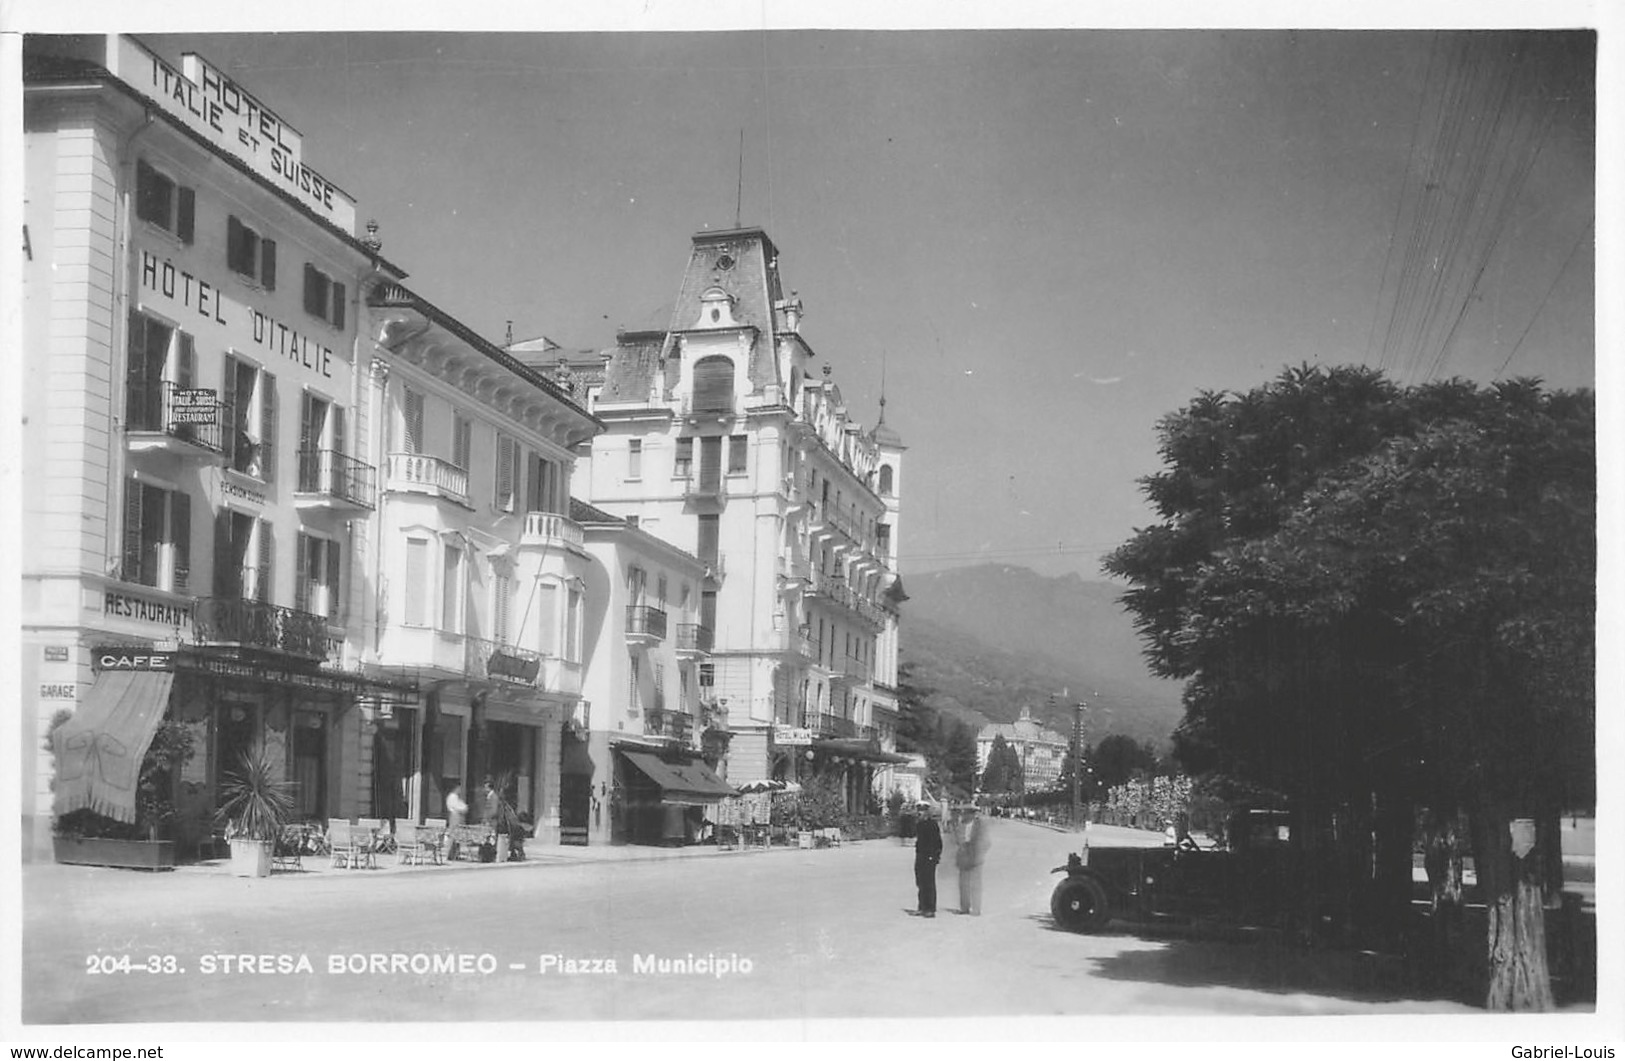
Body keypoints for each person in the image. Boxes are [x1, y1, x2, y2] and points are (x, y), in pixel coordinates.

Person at [956, 805, 992, 915]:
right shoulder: (960, 825)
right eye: (965, 813)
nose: (966, 815)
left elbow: (987, 842)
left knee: (976, 883)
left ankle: (976, 908)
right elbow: (956, 838)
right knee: (963, 883)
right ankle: (964, 907)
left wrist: (980, 852)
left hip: (976, 855)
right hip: (963, 855)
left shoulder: (980, 825)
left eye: (969, 813)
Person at [913, 803, 943, 918]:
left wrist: (935, 856)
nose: (919, 813)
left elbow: (937, 842)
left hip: (930, 857)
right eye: (918, 811)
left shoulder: (932, 824)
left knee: (929, 882)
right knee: (920, 881)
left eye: (921, 811)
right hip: (920, 855)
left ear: (927, 812)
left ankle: (930, 908)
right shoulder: (919, 824)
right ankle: (922, 907)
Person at [445, 782, 468, 861]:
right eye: (459, 788)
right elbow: (458, 807)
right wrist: (464, 808)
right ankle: (449, 853)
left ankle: (455, 853)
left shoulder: (457, 797)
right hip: (455, 815)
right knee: (453, 834)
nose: (460, 790)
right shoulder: (452, 797)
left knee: (457, 835)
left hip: (458, 816)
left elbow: (463, 806)